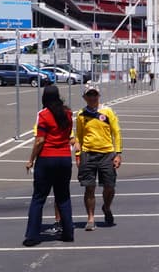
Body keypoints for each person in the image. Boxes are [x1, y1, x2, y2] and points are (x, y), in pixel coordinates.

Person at [23, 85, 76, 245]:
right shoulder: (67, 113)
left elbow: (40, 140)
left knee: (39, 197)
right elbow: (68, 135)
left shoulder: (43, 114)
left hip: (47, 158)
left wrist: (31, 158)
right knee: (63, 196)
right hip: (64, 158)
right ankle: (68, 232)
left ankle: (32, 235)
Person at [74, 83, 123, 229]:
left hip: (107, 154)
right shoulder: (81, 115)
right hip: (88, 154)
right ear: (84, 97)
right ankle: (90, 218)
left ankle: (106, 207)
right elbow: (79, 137)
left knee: (109, 186)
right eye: (89, 95)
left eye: (95, 94)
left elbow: (116, 132)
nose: (92, 97)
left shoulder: (108, 112)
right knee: (89, 187)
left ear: (99, 96)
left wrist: (118, 153)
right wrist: (78, 154)